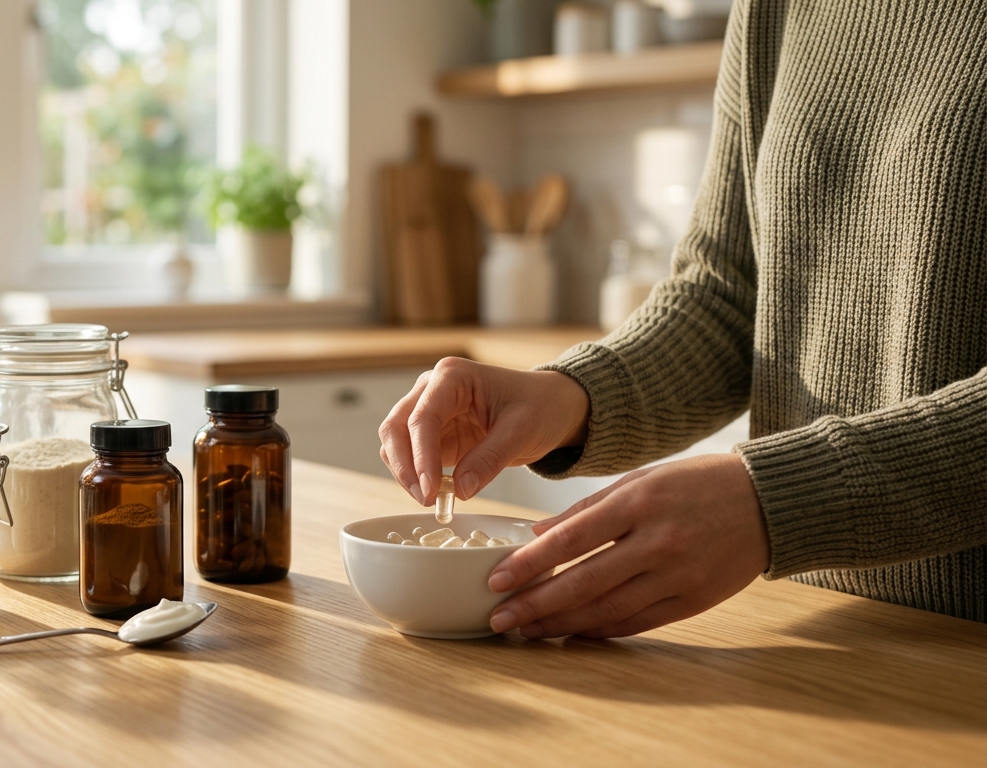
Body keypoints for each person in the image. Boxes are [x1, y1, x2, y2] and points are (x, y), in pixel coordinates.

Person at [379, 0, 987, 639]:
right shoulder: (772, 13)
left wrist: (775, 502)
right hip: (816, 625)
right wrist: (568, 396)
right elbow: (724, 296)